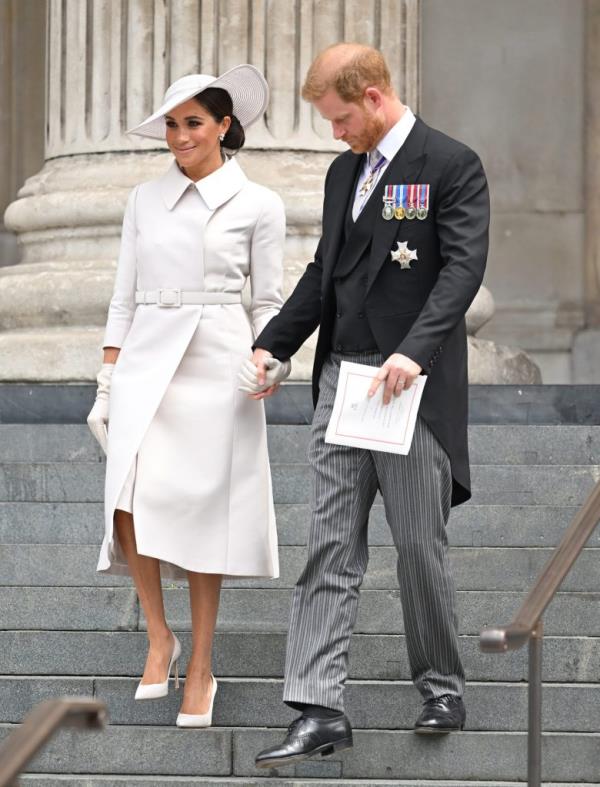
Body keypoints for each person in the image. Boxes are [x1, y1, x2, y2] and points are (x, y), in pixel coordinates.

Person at [247, 43, 490, 767]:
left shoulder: (449, 164)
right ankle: (319, 705)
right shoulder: (342, 172)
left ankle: (442, 686)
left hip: (409, 388)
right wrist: (275, 344)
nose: (335, 132)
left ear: (376, 96)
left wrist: (413, 351)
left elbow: (462, 269)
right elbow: (326, 270)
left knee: (418, 546)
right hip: (342, 385)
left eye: (342, 117)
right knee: (329, 544)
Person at [86, 65, 290, 729]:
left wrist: (270, 360)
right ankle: (159, 635)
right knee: (125, 496)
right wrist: (107, 378)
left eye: (193, 122)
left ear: (225, 125)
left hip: (220, 363)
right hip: (147, 355)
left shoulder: (259, 203)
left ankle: (201, 663)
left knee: (206, 516)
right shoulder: (143, 199)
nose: (179, 136)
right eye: (172, 124)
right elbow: (123, 293)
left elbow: (269, 300)